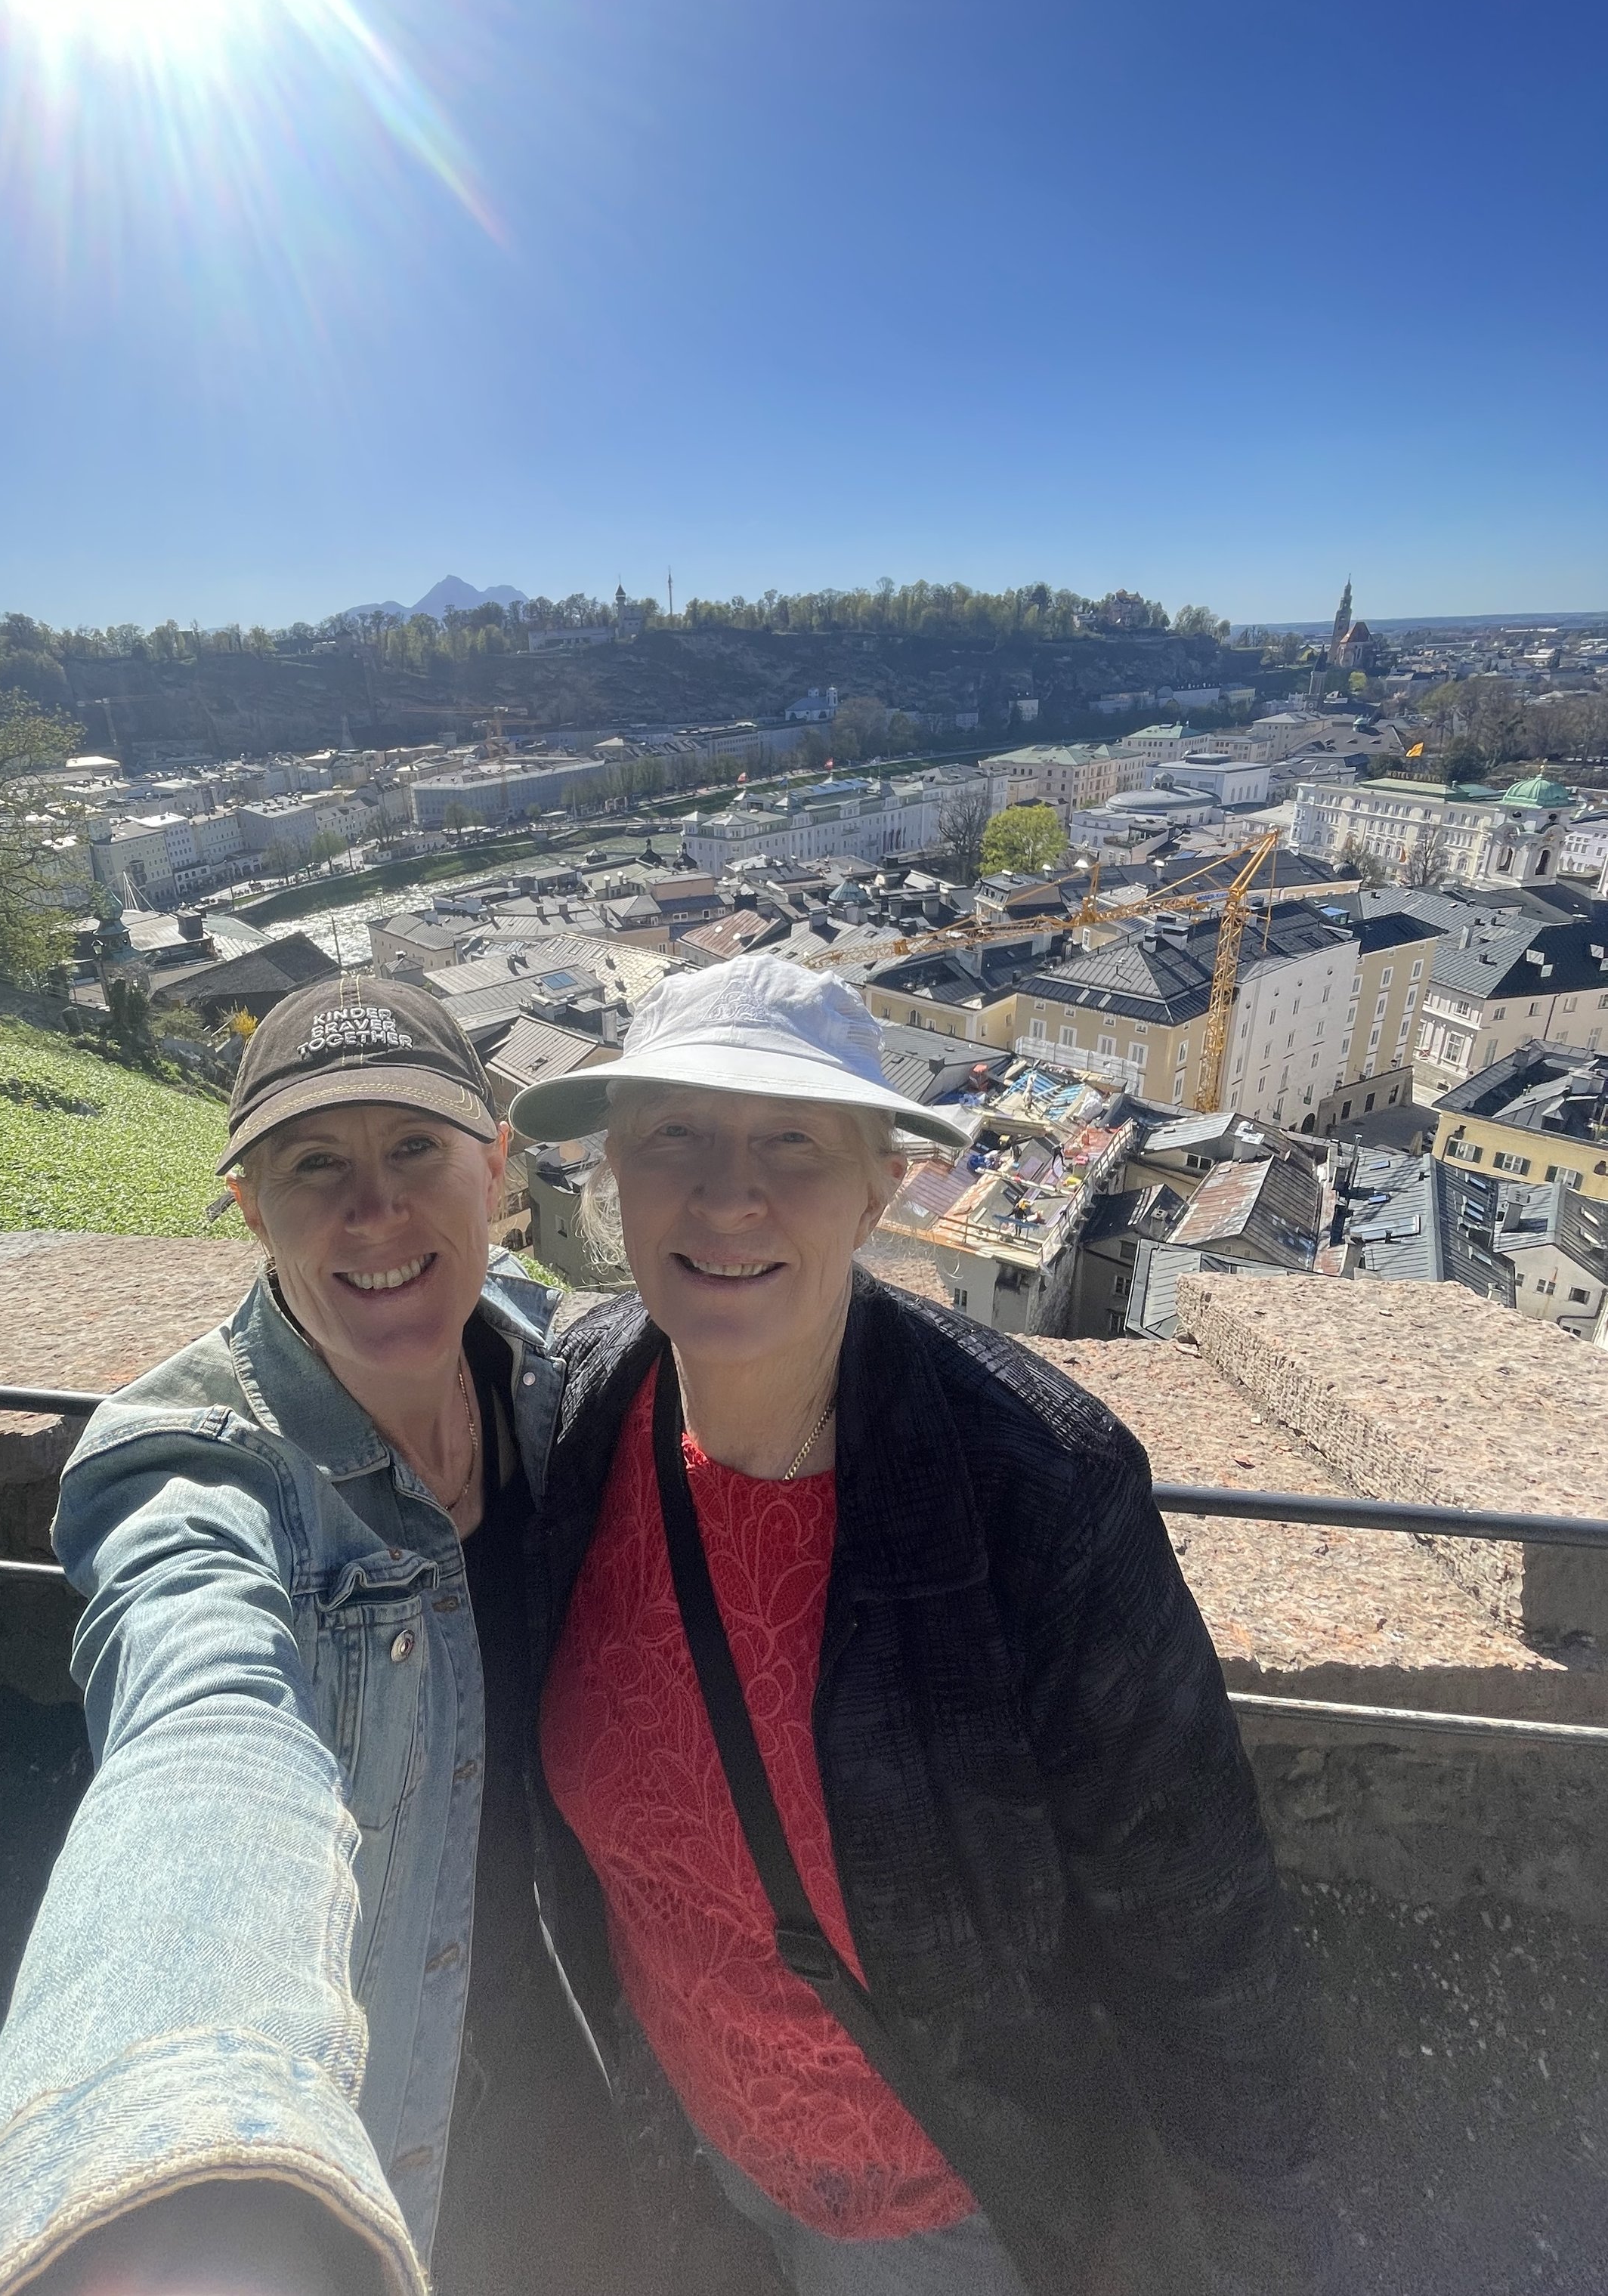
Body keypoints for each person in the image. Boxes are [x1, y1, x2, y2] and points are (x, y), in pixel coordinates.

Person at [508, 952, 1334, 2296]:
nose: (728, 1194)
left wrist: (1258, 2249)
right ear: (615, 1170)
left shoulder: (1036, 1486)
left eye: (793, 1140)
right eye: (675, 1135)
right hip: (691, 2138)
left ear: (880, 1186)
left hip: (943, 2208)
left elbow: (1197, 1915)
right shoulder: (584, 1406)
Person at [0, 975, 633, 2296]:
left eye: (413, 1147)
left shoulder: (543, 1374)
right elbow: (203, 1726)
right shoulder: (196, 1467)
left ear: (495, 1169)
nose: (374, 1208)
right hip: (398, 2151)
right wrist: (176, 2146)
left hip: (591, 2104)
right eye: (314, 1165)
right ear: (251, 1206)